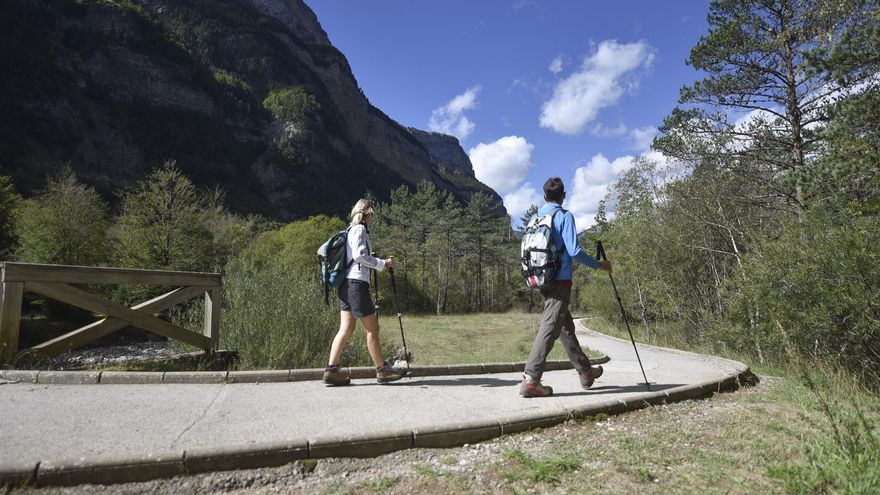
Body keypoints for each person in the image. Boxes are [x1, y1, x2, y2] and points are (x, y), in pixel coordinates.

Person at [520, 177, 612, 398]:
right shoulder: (563, 216)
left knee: (564, 326)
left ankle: (586, 372)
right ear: (563, 196)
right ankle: (531, 379)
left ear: (544, 196)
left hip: (540, 277)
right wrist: (599, 265)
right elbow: (575, 251)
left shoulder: (535, 218)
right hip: (560, 280)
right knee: (551, 326)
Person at [322, 199, 405, 386]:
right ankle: (382, 370)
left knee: (346, 328)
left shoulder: (350, 229)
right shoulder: (360, 229)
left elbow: (356, 256)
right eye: (373, 214)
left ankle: (332, 370)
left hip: (346, 285)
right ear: (369, 214)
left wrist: (375, 261)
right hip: (356, 284)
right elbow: (359, 255)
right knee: (373, 329)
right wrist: (382, 264)